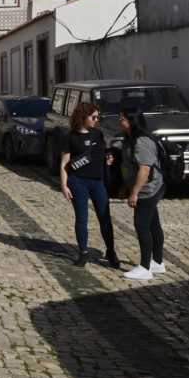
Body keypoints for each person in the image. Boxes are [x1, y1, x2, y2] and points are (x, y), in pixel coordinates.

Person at [59, 102, 119, 268]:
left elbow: (100, 153)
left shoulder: (98, 134)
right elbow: (65, 163)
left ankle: (111, 251)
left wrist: (108, 158)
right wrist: (64, 185)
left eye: (97, 117)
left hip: (98, 181)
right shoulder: (70, 138)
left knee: (105, 217)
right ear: (83, 117)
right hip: (78, 182)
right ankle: (83, 253)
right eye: (93, 117)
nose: (96, 120)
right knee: (82, 218)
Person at [117, 107, 165, 280]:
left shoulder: (142, 141)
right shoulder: (129, 139)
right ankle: (158, 262)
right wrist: (125, 186)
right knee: (153, 224)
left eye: (121, 118)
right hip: (142, 187)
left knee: (142, 225)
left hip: (148, 189)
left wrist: (134, 193)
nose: (119, 121)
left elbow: (144, 169)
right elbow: (128, 164)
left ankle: (145, 267)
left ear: (132, 121)